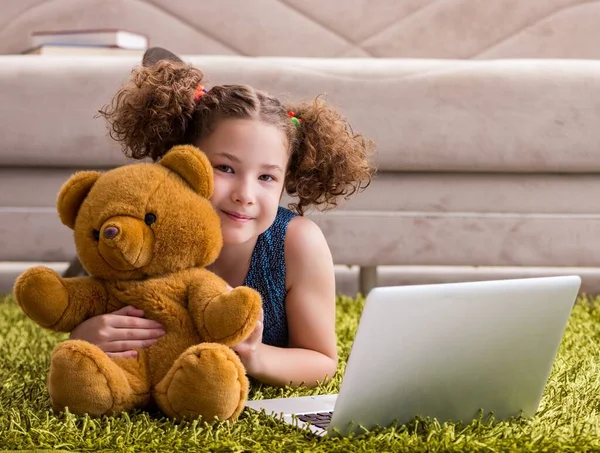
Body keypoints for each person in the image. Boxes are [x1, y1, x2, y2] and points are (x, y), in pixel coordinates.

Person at [70, 48, 375, 388]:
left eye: (267, 178)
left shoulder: (297, 244)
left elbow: (321, 361)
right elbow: (89, 308)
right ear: (185, 159)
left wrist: (255, 354)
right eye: (225, 168)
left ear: (286, 180)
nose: (245, 194)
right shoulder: (142, 227)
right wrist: (85, 334)